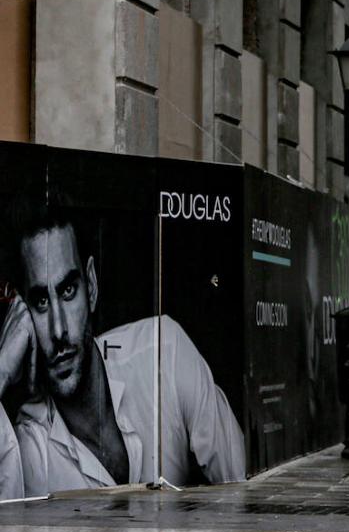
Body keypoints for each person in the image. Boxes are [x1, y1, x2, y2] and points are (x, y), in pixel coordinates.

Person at [0, 204, 244, 498]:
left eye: (68, 291)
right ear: (20, 314)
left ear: (90, 285)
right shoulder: (29, 449)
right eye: (40, 302)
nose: (58, 330)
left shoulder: (164, 351)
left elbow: (243, 488)